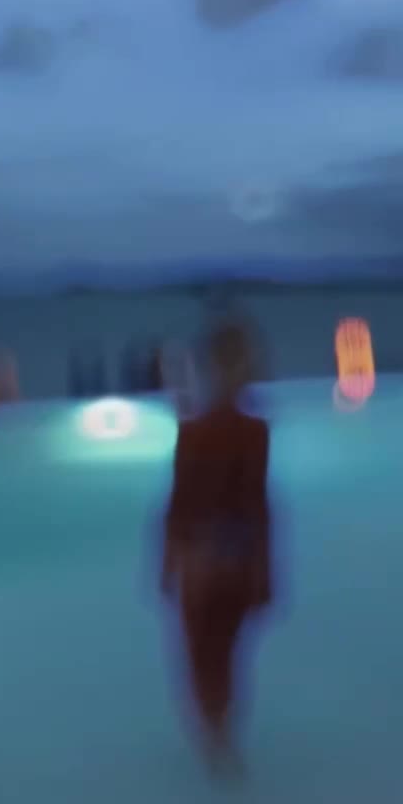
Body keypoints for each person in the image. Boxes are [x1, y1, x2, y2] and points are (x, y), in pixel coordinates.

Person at [161, 319, 272, 774]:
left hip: (206, 561)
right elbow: (256, 506)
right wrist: (263, 571)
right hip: (232, 558)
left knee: (207, 653)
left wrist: (169, 563)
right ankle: (220, 732)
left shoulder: (200, 431)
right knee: (221, 653)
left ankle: (216, 733)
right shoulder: (252, 431)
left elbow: (180, 504)